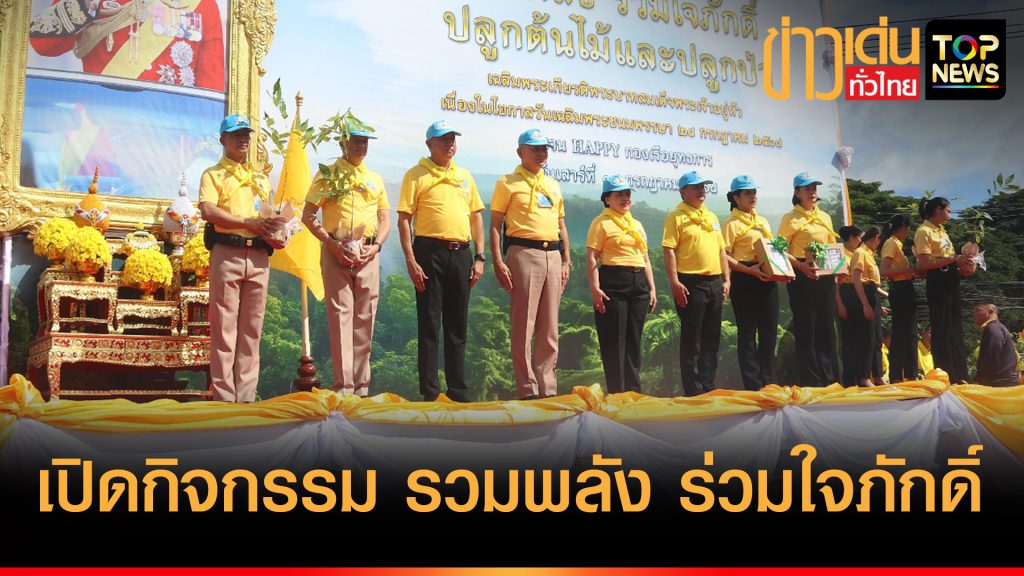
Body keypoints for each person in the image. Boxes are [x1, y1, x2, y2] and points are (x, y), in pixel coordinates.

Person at [397, 120, 485, 402]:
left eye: (452, 139)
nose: (449, 144)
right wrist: (411, 260)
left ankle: (458, 390)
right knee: (430, 322)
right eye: (443, 139)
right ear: (429, 144)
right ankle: (431, 391)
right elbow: (404, 220)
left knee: (457, 324)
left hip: (461, 253)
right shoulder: (415, 175)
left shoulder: (465, 176)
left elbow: (476, 218)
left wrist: (480, 257)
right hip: (428, 252)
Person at [198, 114, 283, 402]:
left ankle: (246, 397)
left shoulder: (261, 178)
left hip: (259, 256)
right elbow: (208, 211)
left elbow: (268, 215)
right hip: (228, 252)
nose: (242, 139)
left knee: (252, 330)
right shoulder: (213, 175)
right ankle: (224, 399)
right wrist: (247, 223)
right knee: (225, 329)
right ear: (223, 139)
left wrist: (279, 230)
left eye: (246, 134)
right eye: (236, 134)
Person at [301, 124, 389, 397]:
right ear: (343, 144)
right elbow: (308, 215)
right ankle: (344, 387)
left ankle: (362, 387)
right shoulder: (328, 175)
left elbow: (385, 219)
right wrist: (331, 244)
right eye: (356, 141)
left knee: (366, 318)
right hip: (335, 251)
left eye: (365, 142)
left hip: (367, 253)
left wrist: (376, 247)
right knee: (340, 318)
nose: (361, 146)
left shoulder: (375, 178)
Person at [490, 129, 570, 400]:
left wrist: (567, 261)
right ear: (520, 152)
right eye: (535, 148)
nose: (541, 153)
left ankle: (548, 389)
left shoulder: (553, 184)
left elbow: (561, 225)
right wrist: (497, 260)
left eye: (544, 148)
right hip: (523, 253)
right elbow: (495, 224)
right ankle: (528, 389)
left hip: (553, 255)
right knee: (524, 324)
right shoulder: (507, 182)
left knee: (550, 327)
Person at [29, 0, 225, 91]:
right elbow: (42, 44)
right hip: (101, 134)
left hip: (167, 139)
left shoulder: (202, 4)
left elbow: (211, 87)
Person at [586, 175, 656, 393]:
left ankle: (634, 392)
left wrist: (652, 288)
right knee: (615, 342)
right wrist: (595, 289)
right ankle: (617, 393)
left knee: (634, 341)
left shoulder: (637, 224)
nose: (625, 198)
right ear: (607, 199)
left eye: (627, 194)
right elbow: (591, 258)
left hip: (639, 284)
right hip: (613, 282)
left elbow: (645, 259)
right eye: (619, 195)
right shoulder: (601, 222)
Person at [663, 171, 729, 397]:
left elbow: (721, 251)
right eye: (696, 187)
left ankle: (708, 383)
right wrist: (674, 281)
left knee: (712, 337)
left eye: (703, 187)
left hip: (715, 281)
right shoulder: (676, 216)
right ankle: (693, 388)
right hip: (691, 282)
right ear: (683, 192)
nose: (701, 191)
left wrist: (727, 279)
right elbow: (669, 250)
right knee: (693, 339)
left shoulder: (711, 216)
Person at [778, 172, 840, 387]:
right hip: (802, 276)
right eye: (807, 189)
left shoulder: (825, 217)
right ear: (797, 192)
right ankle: (810, 378)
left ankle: (829, 377)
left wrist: (838, 268)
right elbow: (779, 249)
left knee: (826, 326)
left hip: (825, 275)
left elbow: (831, 246)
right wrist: (801, 266)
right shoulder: (790, 218)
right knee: (807, 328)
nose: (812, 192)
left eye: (814, 188)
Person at [722, 175, 779, 391]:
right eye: (747, 193)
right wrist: (748, 270)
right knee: (747, 332)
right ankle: (753, 384)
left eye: (754, 192)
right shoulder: (731, 224)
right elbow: (724, 256)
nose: (753, 196)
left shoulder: (762, 221)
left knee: (769, 330)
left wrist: (781, 269)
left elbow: (772, 249)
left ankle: (769, 380)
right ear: (736, 198)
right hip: (744, 277)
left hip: (767, 276)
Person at [914, 197, 972, 384]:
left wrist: (964, 265)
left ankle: (960, 374)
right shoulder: (924, 231)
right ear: (938, 210)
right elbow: (924, 263)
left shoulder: (942, 232)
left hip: (951, 279)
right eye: (948, 211)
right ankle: (946, 374)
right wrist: (954, 259)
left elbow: (949, 258)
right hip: (937, 280)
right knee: (942, 328)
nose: (949, 216)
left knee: (955, 327)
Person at [879, 214, 919, 383]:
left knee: (909, 332)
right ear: (902, 227)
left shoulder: (898, 244)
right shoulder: (891, 243)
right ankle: (898, 374)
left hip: (905, 287)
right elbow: (884, 270)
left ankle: (910, 373)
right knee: (903, 332)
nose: (908, 233)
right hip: (900, 288)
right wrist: (909, 271)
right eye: (908, 229)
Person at [848, 226, 884, 387]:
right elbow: (856, 280)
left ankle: (877, 375)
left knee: (877, 337)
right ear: (876, 238)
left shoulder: (870, 254)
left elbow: (874, 282)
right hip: (864, 294)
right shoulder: (860, 253)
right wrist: (865, 304)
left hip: (873, 293)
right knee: (866, 338)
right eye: (879, 240)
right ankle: (864, 376)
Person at [835, 225, 862, 387]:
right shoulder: (839, 253)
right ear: (851, 237)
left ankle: (862, 376)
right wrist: (840, 304)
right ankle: (849, 379)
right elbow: (835, 282)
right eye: (859, 237)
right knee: (849, 340)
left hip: (860, 294)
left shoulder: (859, 253)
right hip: (846, 294)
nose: (861, 241)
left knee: (861, 339)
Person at [972, 304, 1021, 387]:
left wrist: (978, 380)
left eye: (978, 311)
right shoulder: (997, 327)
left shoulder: (993, 328)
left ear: (990, 312)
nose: (974, 316)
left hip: (1000, 383)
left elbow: (991, 356)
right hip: (1002, 382)